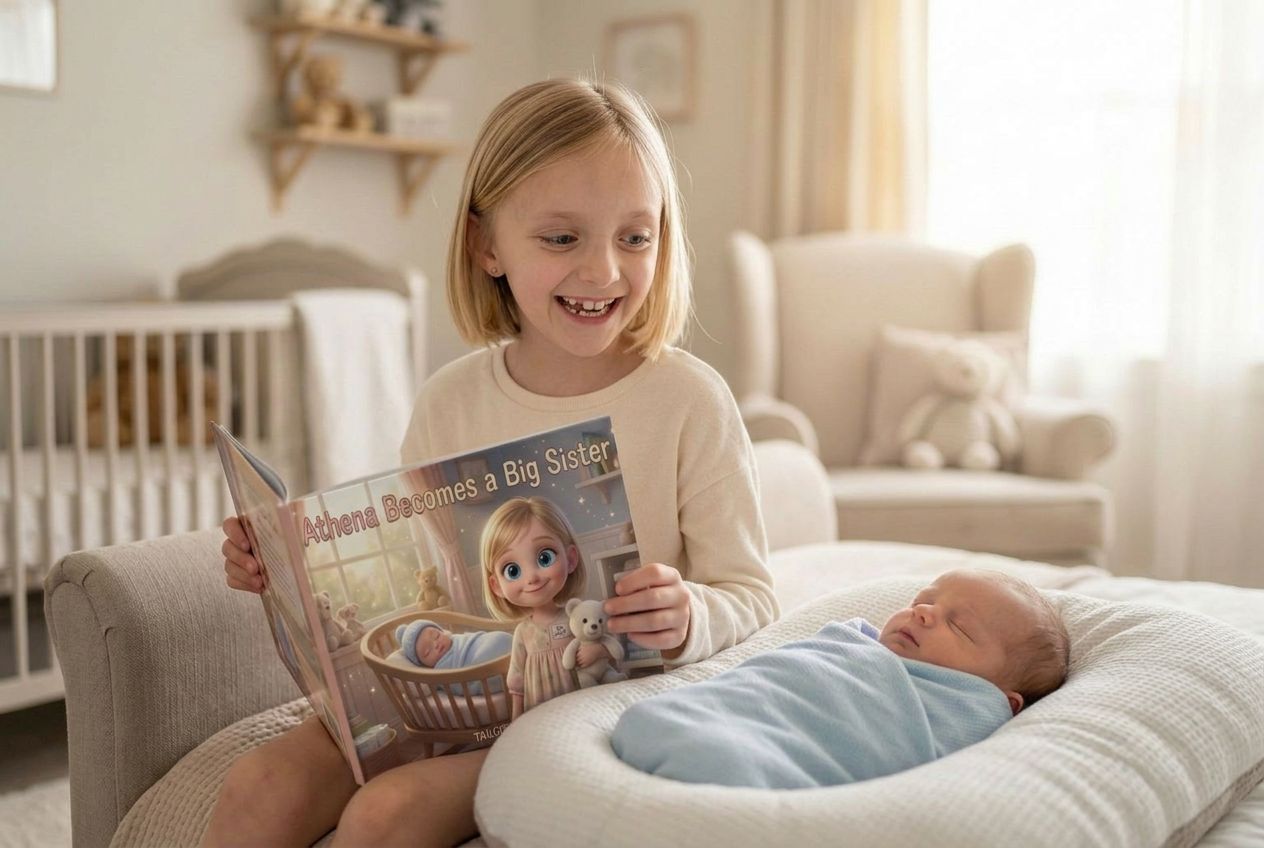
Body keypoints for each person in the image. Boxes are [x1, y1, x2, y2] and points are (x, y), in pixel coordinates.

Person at [208, 77, 777, 848]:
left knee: (386, 815)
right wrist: (285, 567)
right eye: (562, 238)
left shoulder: (687, 400)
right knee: (258, 785)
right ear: (486, 246)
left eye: (635, 237)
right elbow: (422, 574)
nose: (605, 271)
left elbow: (751, 592)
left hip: (567, 709)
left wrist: (689, 616)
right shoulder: (450, 398)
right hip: (440, 688)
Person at [612, 569, 1070, 789]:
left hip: (759, 759)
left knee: (715, 761)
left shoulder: (969, 708)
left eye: (960, 626)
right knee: (656, 723)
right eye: (923, 599)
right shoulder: (852, 643)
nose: (924, 612)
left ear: (1002, 700)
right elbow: (775, 680)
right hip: (715, 716)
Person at [479, 497, 590, 718]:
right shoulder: (523, 632)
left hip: (583, 708)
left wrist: (595, 651)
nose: (531, 577)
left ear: (570, 559)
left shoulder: (577, 618)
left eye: (544, 557)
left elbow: (600, 648)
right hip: (539, 716)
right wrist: (516, 723)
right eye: (513, 570)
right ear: (496, 586)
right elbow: (517, 681)